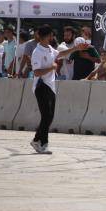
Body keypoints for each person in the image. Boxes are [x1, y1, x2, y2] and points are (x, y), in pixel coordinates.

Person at [29, 25, 86, 154]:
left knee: (50, 116)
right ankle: (42, 143)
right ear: (46, 36)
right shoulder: (37, 52)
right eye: (50, 35)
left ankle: (37, 140)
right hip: (41, 85)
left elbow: (60, 54)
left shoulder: (49, 48)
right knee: (46, 116)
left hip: (51, 86)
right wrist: (52, 68)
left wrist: (75, 48)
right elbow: (37, 72)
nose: (52, 37)